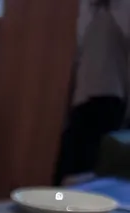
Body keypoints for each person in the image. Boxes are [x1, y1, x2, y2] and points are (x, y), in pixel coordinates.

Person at [55, 0, 130, 183]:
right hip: (95, 97)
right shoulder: (89, 17)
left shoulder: (112, 18)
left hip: (104, 96)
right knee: (79, 159)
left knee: (79, 162)